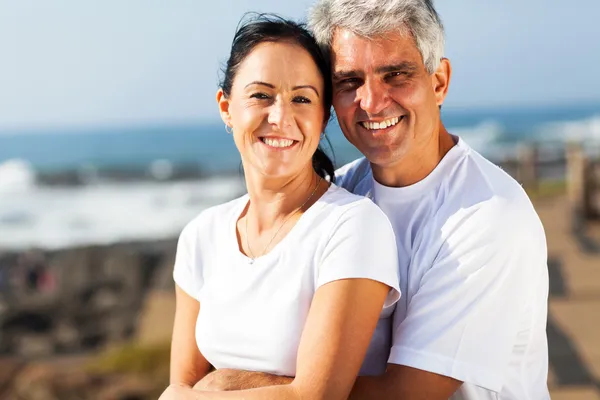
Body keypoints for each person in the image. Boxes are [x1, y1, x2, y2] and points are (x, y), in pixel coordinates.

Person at [194, 1, 551, 399]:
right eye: (349, 81)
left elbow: (407, 394)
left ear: (439, 82)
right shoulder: (337, 201)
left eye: (395, 75)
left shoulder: (489, 215)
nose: (372, 102)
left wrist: (234, 384)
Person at [159, 14, 401, 400]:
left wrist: (219, 384)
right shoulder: (201, 235)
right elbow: (182, 383)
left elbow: (318, 396)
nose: (280, 117)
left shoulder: (352, 226)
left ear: (323, 118)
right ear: (226, 107)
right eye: (260, 95)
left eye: (302, 98)